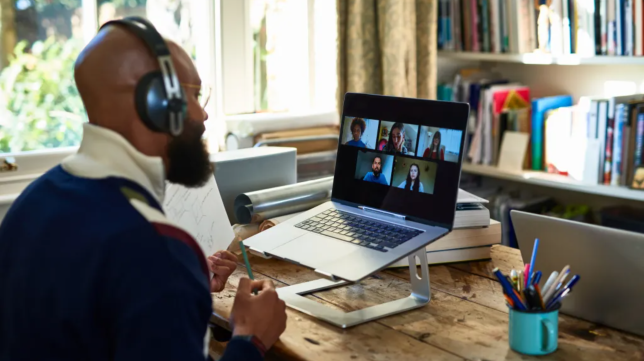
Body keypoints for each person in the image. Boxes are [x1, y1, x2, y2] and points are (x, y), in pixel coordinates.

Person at [0, 19, 286, 361]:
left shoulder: (31, 203)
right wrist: (250, 340)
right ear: (154, 103)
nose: (203, 113)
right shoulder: (157, 249)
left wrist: (177, 294)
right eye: (192, 95)